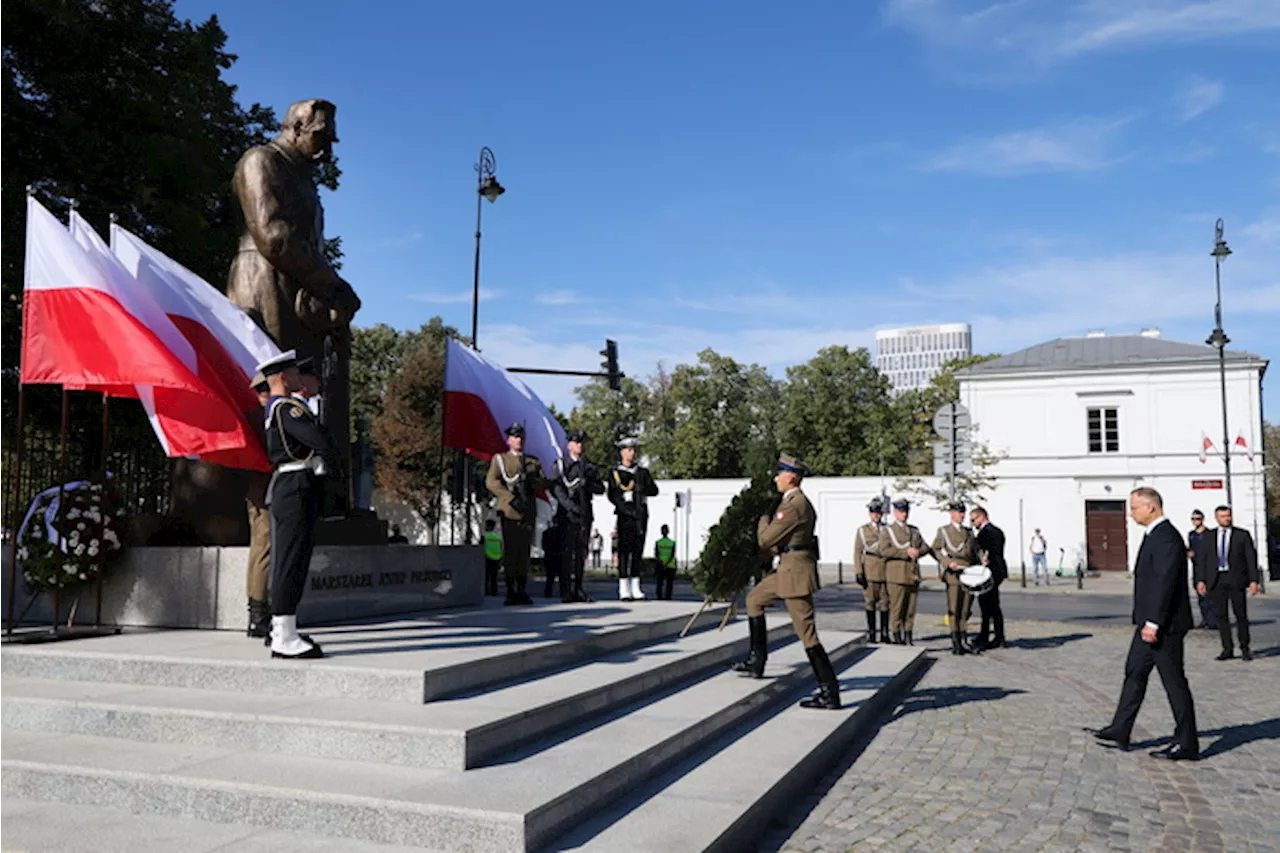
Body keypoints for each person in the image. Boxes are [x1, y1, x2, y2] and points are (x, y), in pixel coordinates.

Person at [1088, 487, 1199, 761]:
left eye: (1135, 507)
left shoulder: (1166, 537)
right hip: (1149, 623)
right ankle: (1120, 728)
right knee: (1134, 672)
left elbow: (1164, 582)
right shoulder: (1154, 535)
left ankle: (1187, 743)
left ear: (1151, 507)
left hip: (1164, 625)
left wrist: (1153, 622)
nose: (1131, 513)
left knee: (1173, 682)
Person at [731, 455, 840, 710]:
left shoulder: (792, 505)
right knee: (754, 600)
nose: (775, 478)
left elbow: (765, 540)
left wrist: (763, 516)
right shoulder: (796, 502)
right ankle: (757, 660)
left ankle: (829, 691)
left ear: (791, 477)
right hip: (788, 569)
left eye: (779, 474)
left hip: (795, 575)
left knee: (808, 634)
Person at [259, 350, 338, 660]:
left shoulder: (279, 408)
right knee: (290, 560)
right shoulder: (287, 409)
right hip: (293, 486)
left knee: (293, 557)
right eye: (292, 373)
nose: (297, 378)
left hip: (294, 485)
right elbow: (320, 440)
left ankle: (284, 629)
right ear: (282, 377)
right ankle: (284, 634)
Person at [484, 423, 546, 606]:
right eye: (515, 437)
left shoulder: (532, 462)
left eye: (521, 437)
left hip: (527, 511)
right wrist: (509, 497)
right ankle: (511, 591)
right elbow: (491, 482)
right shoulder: (501, 460)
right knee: (511, 552)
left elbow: (542, 484)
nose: (518, 440)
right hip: (510, 510)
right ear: (508, 439)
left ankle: (522, 589)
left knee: (524, 552)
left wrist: (534, 481)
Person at [1194, 505, 1261, 662]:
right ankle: (1227, 649)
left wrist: (1254, 580)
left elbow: (1251, 559)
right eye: (1223, 516)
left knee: (1240, 615)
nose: (1226, 519)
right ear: (1216, 518)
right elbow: (1203, 560)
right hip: (1216, 579)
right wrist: (1200, 580)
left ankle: (1245, 648)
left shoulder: (1241, 535)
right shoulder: (1209, 536)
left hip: (1235, 578)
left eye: (1228, 516)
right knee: (1221, 615)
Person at [550, 429, 605, 603]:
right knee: (566, 554)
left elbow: (601, 488)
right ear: (569, 445)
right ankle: (566, 590)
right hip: (567, 515)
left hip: (584, 514)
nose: (579, 445)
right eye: (576, 442)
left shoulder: (588, 466)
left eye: (581, 442)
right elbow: (555, 487)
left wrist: (588, 483)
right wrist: (568, 505)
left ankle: (579, 588)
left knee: (581, 553)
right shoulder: (561, 465)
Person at [607, 437, 659, 601]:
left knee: (637, 550)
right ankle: (623, 587)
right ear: (622, 452)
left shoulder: (642, 472)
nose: (632, 453)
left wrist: (643, 488)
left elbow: (654, 490)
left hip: (640, 516)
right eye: (629, 450)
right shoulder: (616, 473)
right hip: (625, 516)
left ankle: (636, 585)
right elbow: (613, 495)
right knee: (624, 551)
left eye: (634, 450)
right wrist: (625, 509)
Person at [244, 371, 273, 640]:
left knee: (259, 548)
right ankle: (259, 612)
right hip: (265, 487)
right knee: (264, 548)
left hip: (257, 488)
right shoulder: (262, 416)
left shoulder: (253, 414)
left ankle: (257, 609)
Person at [878, 499, 931, 646]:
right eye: (901, 511)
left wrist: (918, 552)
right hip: (896, 575)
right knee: (897, 608)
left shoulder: (914, 530)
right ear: (895, 512)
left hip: (912, 574)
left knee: (910, 609)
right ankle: (896, 634)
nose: (904, 514)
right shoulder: (888, 531)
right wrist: (905, 552)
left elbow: (926, 547)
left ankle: (908, 634)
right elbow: (884, 550)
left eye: (906, 511)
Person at [932, 502, 980, 655]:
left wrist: (982, 559)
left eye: (963, 512)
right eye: (959, 512)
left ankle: (963, 636)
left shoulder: (968, 532)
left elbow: (976, 550)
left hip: (968, 572)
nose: (962, 515)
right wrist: (947, 562)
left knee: (965, 607)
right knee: (954, 607)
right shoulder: (944, 531)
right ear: (952, 513)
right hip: (953, 572)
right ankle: (955, 641)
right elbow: (935, 549)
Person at [971, 505, 1007, 650]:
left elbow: (985, 553)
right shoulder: (997, 531)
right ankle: (987, 634)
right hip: (996, 571)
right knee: (988, 605)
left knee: (989, 606)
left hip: (989, 573)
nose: (973, 524)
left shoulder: (986, 533)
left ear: (982, 517)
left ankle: (996, 636)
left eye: (973, 520)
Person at [853, 499, 890, 644]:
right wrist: (858, 571)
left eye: (878, 512)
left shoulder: (887, 529)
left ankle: (885, 633)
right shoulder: (863, 530)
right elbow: (857, 552)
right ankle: (872, 632)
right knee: (870, 602)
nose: (876, 515)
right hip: (870, 568)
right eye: (874, 512)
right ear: (870, 513)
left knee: (885, 602)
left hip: (885, 569)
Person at [1186, 510, 1218, 630]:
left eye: (1198, 518)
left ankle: (1213, 620)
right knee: (1201, 597)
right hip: (1196, 567)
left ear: (1203, 519)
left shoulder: (1209, 534)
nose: (1195, 521)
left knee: (1210, 596)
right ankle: (1205, 619)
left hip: (1208, 568)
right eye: (1193, 519)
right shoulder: (1192, 535)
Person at [654, 524, 678, 600]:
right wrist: (667, 563)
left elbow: (656, 554)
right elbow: (673, 554)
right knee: (669, 583)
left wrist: (662, 563)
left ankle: (659, 597)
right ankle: (668, 597)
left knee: (660, 583)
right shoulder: (672, 542)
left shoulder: (658, 542)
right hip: (670, 565)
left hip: (661, 565)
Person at [482, 518, 503, 597]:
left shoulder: (484, 537)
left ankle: (486, 592)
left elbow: (480, 549)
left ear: (488, 526)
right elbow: (501, 548)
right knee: (494, 578)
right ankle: (494, 592)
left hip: (487, 558)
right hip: (496, 559)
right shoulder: (497, 537)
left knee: (486, 578)